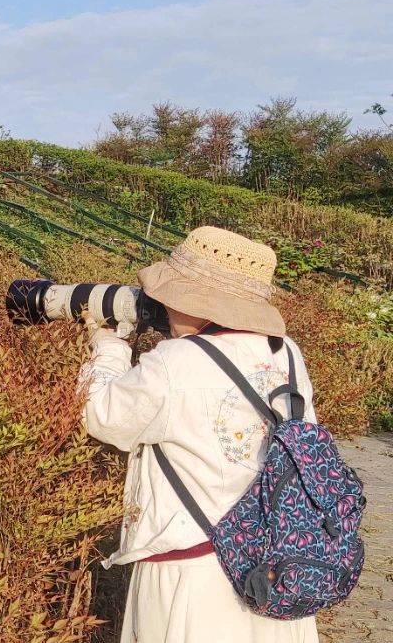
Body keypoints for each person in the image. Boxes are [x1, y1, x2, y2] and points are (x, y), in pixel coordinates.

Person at [82, 226, 319, 643]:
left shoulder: (175, 361)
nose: (164, 305)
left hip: (191, 576)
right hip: (277, 570)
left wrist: (109, 347)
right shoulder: (288, 352)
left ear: (202, 304)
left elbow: (101, 416)